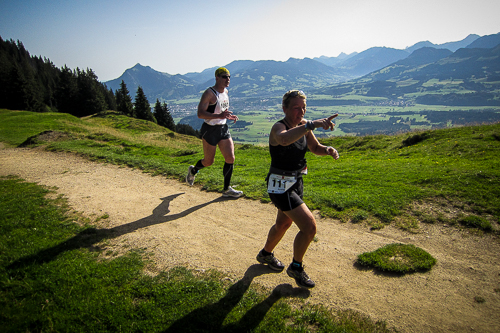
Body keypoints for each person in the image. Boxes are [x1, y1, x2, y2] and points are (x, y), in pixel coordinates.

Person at [256, 90, 339, 288]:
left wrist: (327, 150)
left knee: (283, 224)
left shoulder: (304, 126)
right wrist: (311, 124)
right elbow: (284, 140)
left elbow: (315, 148)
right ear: (284, 109)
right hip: (279, 186)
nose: (300, 112)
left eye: (303, 108)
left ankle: (265, 254)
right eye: (296, 108)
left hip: (296, 182)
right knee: (309, 227)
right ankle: (296, 267)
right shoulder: (278, 128)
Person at [185, 67, 243, 198]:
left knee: (230, 158)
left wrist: (227, 116)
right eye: (224, 76)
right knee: (208, 161)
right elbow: (200, 114)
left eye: (229, 77)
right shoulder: (209, 93)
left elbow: (222, 111)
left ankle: (227, 189)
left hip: (223, 129)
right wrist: (220, 115)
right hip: (210, 130)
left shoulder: (226, 92)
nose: (227, 79)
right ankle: (193, 170)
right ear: (216, 78)